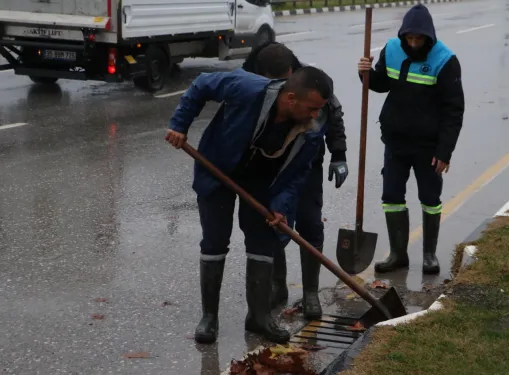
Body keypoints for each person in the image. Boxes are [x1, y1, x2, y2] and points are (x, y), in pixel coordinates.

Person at [165, 66, 334, 344]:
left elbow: (296, 173)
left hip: (262, 184)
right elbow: (202, 84)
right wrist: (179, 124)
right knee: (215, 242)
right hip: (217, 170)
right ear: (291, 98)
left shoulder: (310, 129)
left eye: (319, 109)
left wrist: (281, 205)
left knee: (263, 243)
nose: (316, 115)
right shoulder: (246, 88)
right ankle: (209, 318)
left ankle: (258, 317)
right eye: (311, 108)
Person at [242, 43, 348, 319]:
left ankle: (311, 292)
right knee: (274, 222)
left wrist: (339, 153)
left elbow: (333, 114)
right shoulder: (252, 82)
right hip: (271, 167)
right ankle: (278, 285)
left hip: (307, 164)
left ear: (292, 70)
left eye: (283, 77)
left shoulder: (310, 81)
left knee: (310, 223)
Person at [356, 4, 465, 274]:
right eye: (409, 38)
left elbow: (454, 110)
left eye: (419, 39)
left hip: (428, 146)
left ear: (429, 37)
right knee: (391, 195)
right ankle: (398, 254)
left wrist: (444, 152)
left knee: (430, 197)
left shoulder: (445, 60)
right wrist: (365, 72)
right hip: (395, 141)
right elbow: (381, 84)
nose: (414, 44)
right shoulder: (391, 49)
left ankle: (429, 254)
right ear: (403, 34)